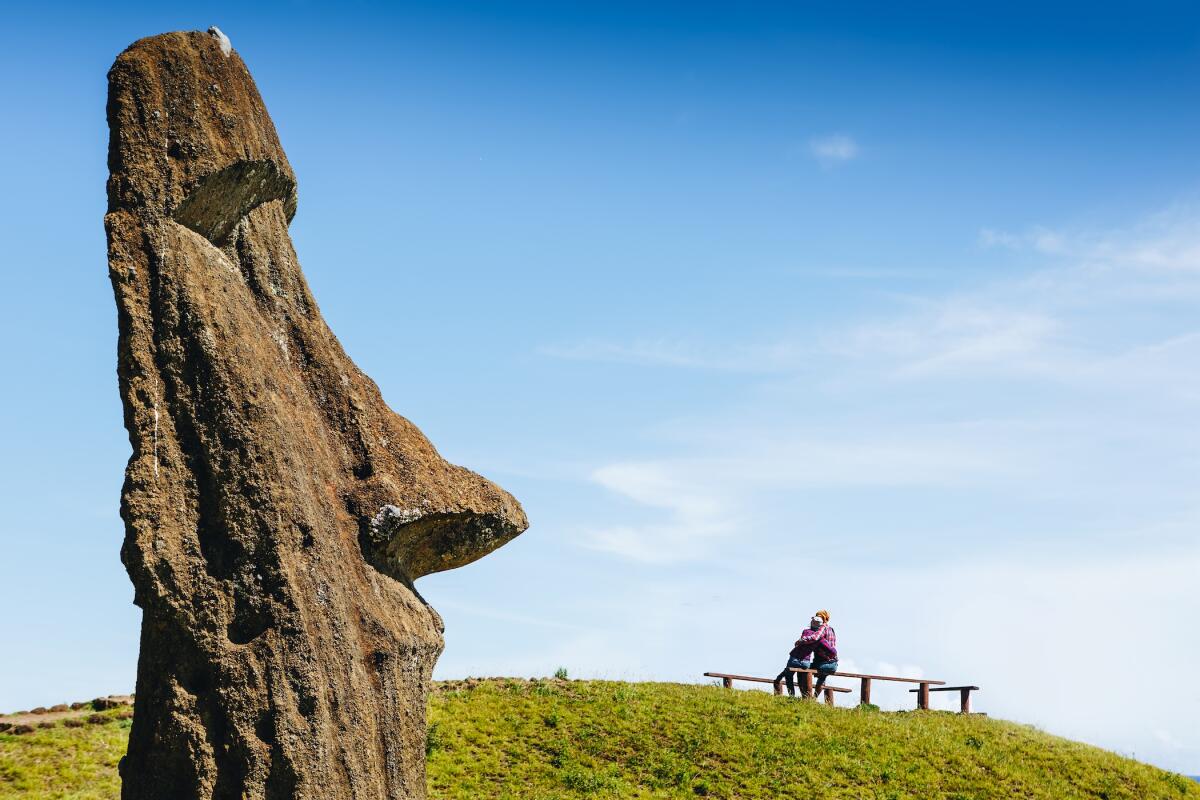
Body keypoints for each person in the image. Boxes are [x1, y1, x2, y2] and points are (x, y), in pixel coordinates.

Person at [775, 610, 838, 698]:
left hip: (821, 662)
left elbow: (815, 637)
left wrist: (801, 640)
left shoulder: (820, 630)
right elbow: (832, 648)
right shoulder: (831, 629)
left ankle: (802, 697)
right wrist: (833, 655)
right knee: (821, 678)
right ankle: (813, 698)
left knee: (802, 673)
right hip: (833, 663)